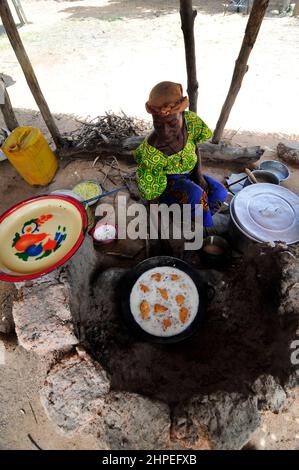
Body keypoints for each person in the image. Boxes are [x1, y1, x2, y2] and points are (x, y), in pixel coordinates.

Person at [134, 81, 227, 227]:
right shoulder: (152, 151)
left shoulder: (190, 122)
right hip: (166, 186)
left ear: (182, 114)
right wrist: (161, 226)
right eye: (158, 125)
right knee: (197, 196)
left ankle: (198, 216)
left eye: (171, 124)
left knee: (220, 192)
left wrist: (199, 176)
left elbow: (195, 147)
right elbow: (152, 196)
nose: (165, 132)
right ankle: (204, 226)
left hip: (190, 173)